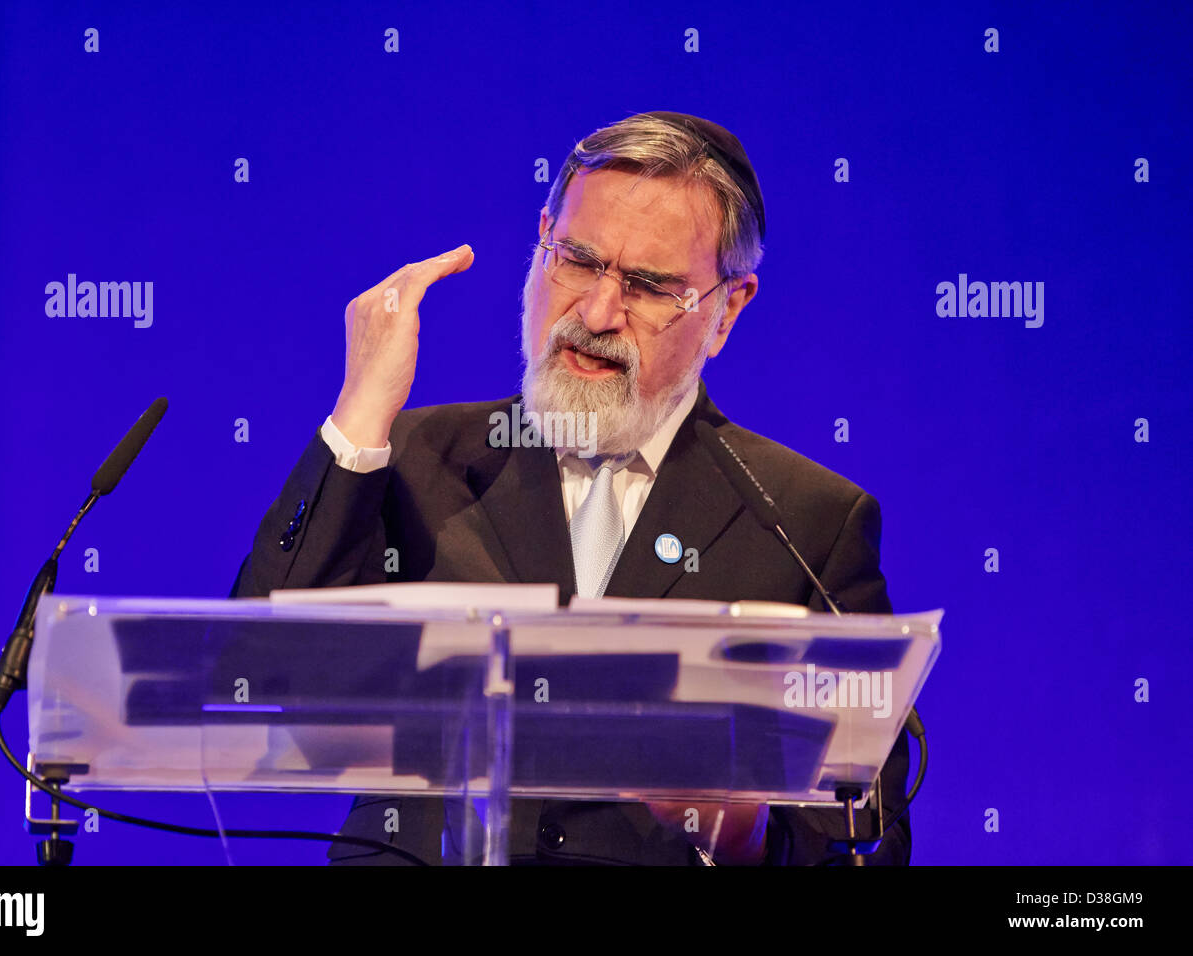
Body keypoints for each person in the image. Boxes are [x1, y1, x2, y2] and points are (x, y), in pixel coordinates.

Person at [231, 111, 911, 865]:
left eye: (650, 286)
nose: (595, 314)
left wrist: (741, 829)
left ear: (728, 308)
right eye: (578, 261)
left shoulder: (806, 523)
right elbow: (250, 678)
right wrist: (359, 410)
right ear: (542, 237)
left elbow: (867, 841)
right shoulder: (413, 457)